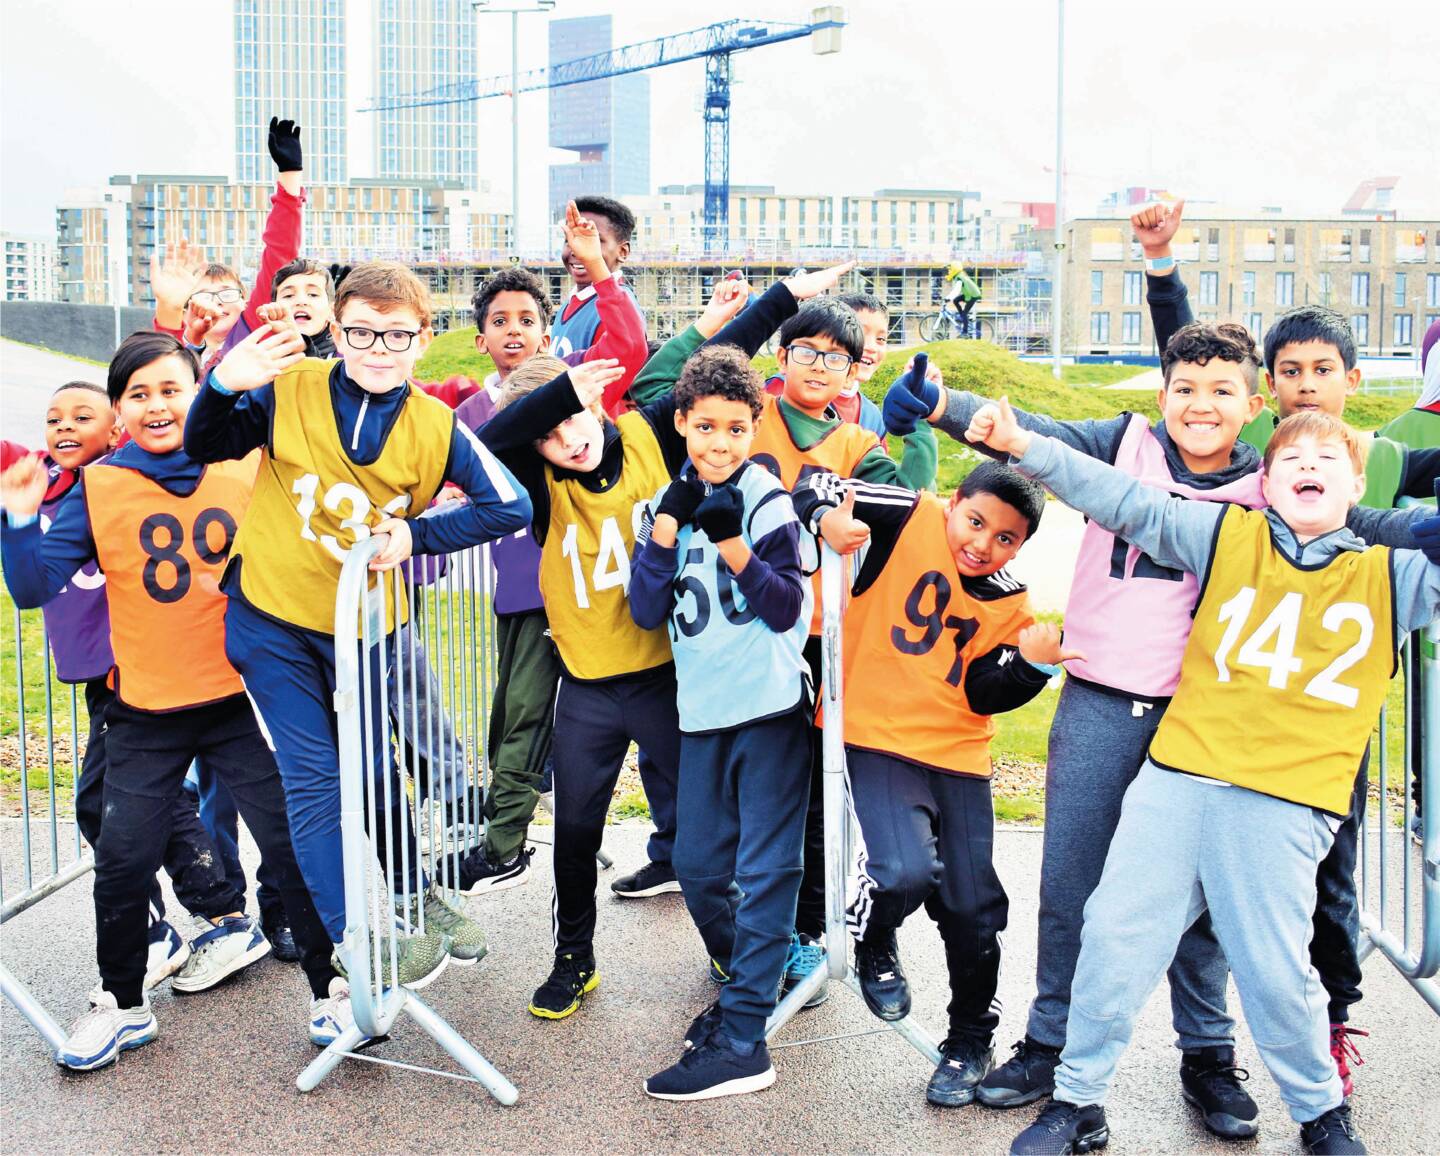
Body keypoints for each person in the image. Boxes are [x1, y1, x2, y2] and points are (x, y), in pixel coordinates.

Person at [889, 317, 1428, 1133]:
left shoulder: (1268, 488)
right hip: (1108, 698)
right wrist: (947, 408)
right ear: (1163, 392)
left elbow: (1360, 528)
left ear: (1253, 406)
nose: (1201, 405)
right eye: (1185, 388)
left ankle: (1207, 1055)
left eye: (1222, 391)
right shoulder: (1132, 447)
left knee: (1205, 913)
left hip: (1199, 716)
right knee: (1078, 890)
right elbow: (1053, 450)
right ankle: (1052, 1045)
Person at [1133, 198, 1440, 1091]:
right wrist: (1162, 267)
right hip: (1231, 701)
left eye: (1322, 370)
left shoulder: (1383, 456)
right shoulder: (1243, 446)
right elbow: (1189, 354)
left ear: (1351, 378)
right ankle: (1210, 1049)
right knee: (1213, 889)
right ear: (1268, 386)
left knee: (1330, 880)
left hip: (1327, 718)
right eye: (1290, 371)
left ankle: (1332, 1021)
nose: (1306, 384)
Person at [182, 261, 532, 986]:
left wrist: (417, 537)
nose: (379, 348)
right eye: (363, 332)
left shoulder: (435, 425)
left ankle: (415, 900)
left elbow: (511, 506)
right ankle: (354, 938)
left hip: (364, 627)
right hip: (274, 618)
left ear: (424, 340)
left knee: (375, 772)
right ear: (335, 330)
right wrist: (222, 383)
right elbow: (203, 445)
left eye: (397, 334)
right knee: (314, 779)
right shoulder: (292, 388)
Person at [0, 332, 344, 1071]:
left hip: (242, 697)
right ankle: (122, 1003)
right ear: (119, 411)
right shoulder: (98, 485)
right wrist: (22, 520)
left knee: (291, 846)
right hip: (146, 707)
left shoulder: (250, 459)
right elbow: (32, 589)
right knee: (122, 861)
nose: (157, 405)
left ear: (199, 392)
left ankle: (332, 987)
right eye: (139, 394)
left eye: (171, 389)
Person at [792, 458, 1073, 1108]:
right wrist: (824, 517)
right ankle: (872, 938)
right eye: (975, 522)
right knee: (901, 871)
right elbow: (816, 478)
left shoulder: (1010, 599)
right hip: (873, 732)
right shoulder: (909, 513)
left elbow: (982, 690)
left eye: (1005, 538)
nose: (982, 544)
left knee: (974, 908)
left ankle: (971, 1040)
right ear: (954, 502)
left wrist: (1031, 666)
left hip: (958, 754)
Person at [628, 344, 811, 1100]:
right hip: (701, 714)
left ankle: (742, 1040)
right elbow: (643, 612)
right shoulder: (663, 505)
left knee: (767, 874)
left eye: (737, 430)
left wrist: (733, 545)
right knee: (700, 870)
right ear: (681, 424)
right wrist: (665, 538)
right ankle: (753, 983)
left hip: (768, 708)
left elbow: (786, 608)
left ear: (754, 429)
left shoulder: (767, 499)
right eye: (706, 428)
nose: (720, 444)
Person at [447, 250, 657, 895]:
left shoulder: (582, 399)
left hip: (605, 595)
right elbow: (476, 456)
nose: (515, 330)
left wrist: (600, 273)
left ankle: (527, 838)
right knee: (516, 718)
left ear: (548, 332)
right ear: (481, 337)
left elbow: (633, 348)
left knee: (623, 724)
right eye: (500, 320)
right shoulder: (476, 416)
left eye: (529, 318)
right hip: (524, 592)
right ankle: (513, 835)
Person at [149, 118, 304, 372]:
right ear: (186, 311)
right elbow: (159, 373)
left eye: (227, 293)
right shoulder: (178, 359)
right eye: (203, 296)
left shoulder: (254, 333)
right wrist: (169, 307)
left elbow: (280, 255)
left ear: (245, 302)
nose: (217, 303)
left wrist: (290, 175)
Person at [549, 195, 645, 361]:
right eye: (570, 239)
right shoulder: (569, 305)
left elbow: (629, 349)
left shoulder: (619, 310)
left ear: (622, 252)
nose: (576, 249)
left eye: (592, 240)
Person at [944, 264, 983, 338]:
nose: (948, 271)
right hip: (969, 294)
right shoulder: (960, 275)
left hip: (973, 295)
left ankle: (965, 333)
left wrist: (948, 298)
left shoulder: (960, 278)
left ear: (954, 270)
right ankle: (962, 316)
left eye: (950, 270)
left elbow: (956, 290)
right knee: (956, 300)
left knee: (965, 313)